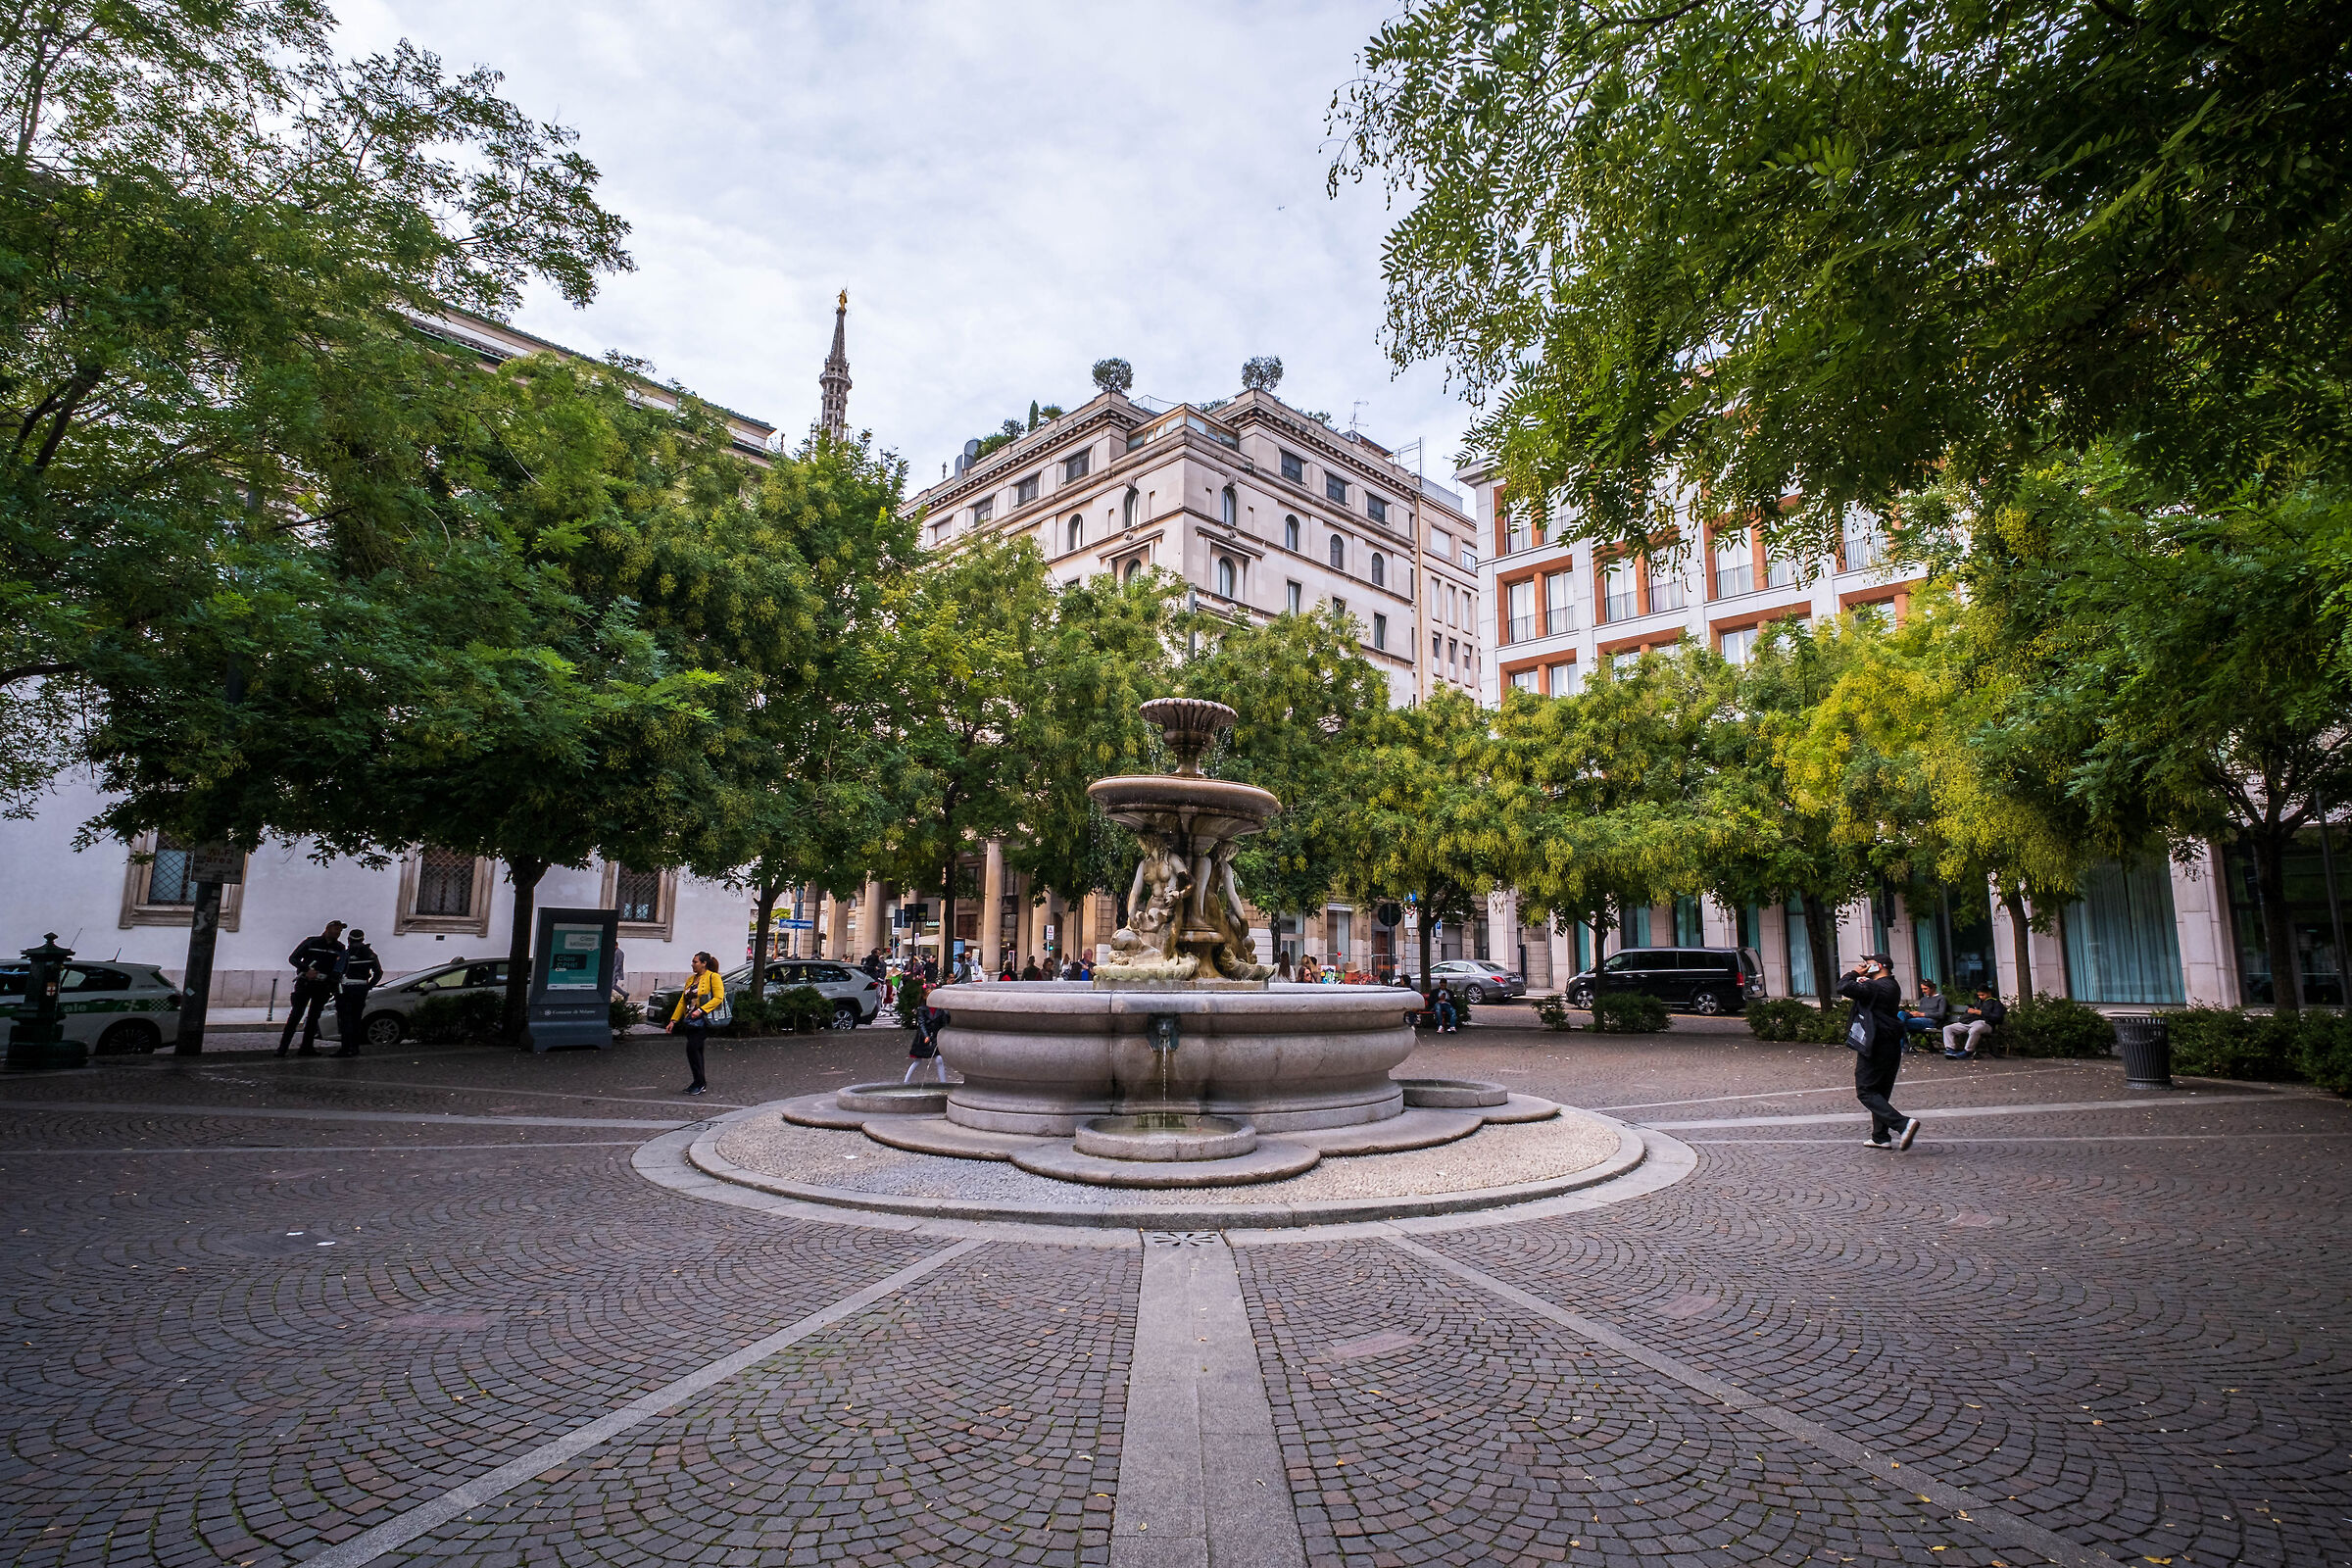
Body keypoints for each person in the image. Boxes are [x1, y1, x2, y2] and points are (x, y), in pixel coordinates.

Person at [1839, 952, 1918, 1150]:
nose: (1864, 965)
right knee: (1880, 1092)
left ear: (1880, 966)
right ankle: (1880, 1136)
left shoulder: (1876, 987)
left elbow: (1843, 987)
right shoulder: (1890, 985)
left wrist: (1853, 974)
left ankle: (1903, 1124)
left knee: (1865, 1091)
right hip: (1890, 1043)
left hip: (1875, 1043)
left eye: (1869, 963)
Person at [278, 920, 347, 1056]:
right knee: (296, 1015)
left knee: (314, 1018)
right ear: (328, 929)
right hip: (305, 983)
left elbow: (341, 967)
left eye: (339, 931)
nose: (337, 933)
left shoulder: (339, 947)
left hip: (323, 986)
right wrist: (306, 969)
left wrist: (333, 978)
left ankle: (306, 1048)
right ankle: (282, 1048)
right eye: (335, 929)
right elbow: (293, 958)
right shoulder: (312, 942)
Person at [664, 952, 724, 1096]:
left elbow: (718, 998)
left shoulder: (713, 977)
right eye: (692, 961)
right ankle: (698, 1082)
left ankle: (699, 1082)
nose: (692, 964)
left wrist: (701, 1011)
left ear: (704, 963)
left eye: (695, 962)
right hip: (690, 1020)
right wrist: (673, 1020)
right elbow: (682, 1001)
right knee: (696, 1051)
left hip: (703, 1020)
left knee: (692, 1049)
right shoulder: (691, 979)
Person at [330, 929, 381, 1057]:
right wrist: (369, 985)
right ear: (362, 940)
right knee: (356, 1019)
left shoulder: (346, 953)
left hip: (346, 989)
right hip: (361, 988)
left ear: (349, 939)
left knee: (345, 1019)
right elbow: (378, 972)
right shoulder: (370, 954)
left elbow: (337, 972)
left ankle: (345, 1048)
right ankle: (355, 1048)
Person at [1943, 987, 2007, 1058]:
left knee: (1974, 1030)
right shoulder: (1978, 1002)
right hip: (1970, 1022)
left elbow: (1997, 1018)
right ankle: (1950, 1049)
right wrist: (1969, 1011)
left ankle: (1968, 1051)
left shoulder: (1996, 1003)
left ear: (1989, 993)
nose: (1981, 997)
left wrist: (1981, 1013)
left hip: (1986, 1024)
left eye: (1983, 995)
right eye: (1979, 995)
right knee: (1948, 1028)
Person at [1896, 978, 1948, 1049]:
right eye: (1922, 989)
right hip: (1919, 1019)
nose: (1923, 991)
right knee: (1901, 1014)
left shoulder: (1941, 998)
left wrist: (1922, 1014)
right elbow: (1919, 1012)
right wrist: (1913, 1013)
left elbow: (1941, 1014)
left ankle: (1901, 1046)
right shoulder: (1923, 999)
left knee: (1900, 1023)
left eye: (1925, 989)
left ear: (1932, 988)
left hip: (1931, 1021)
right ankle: (1902, 1045)